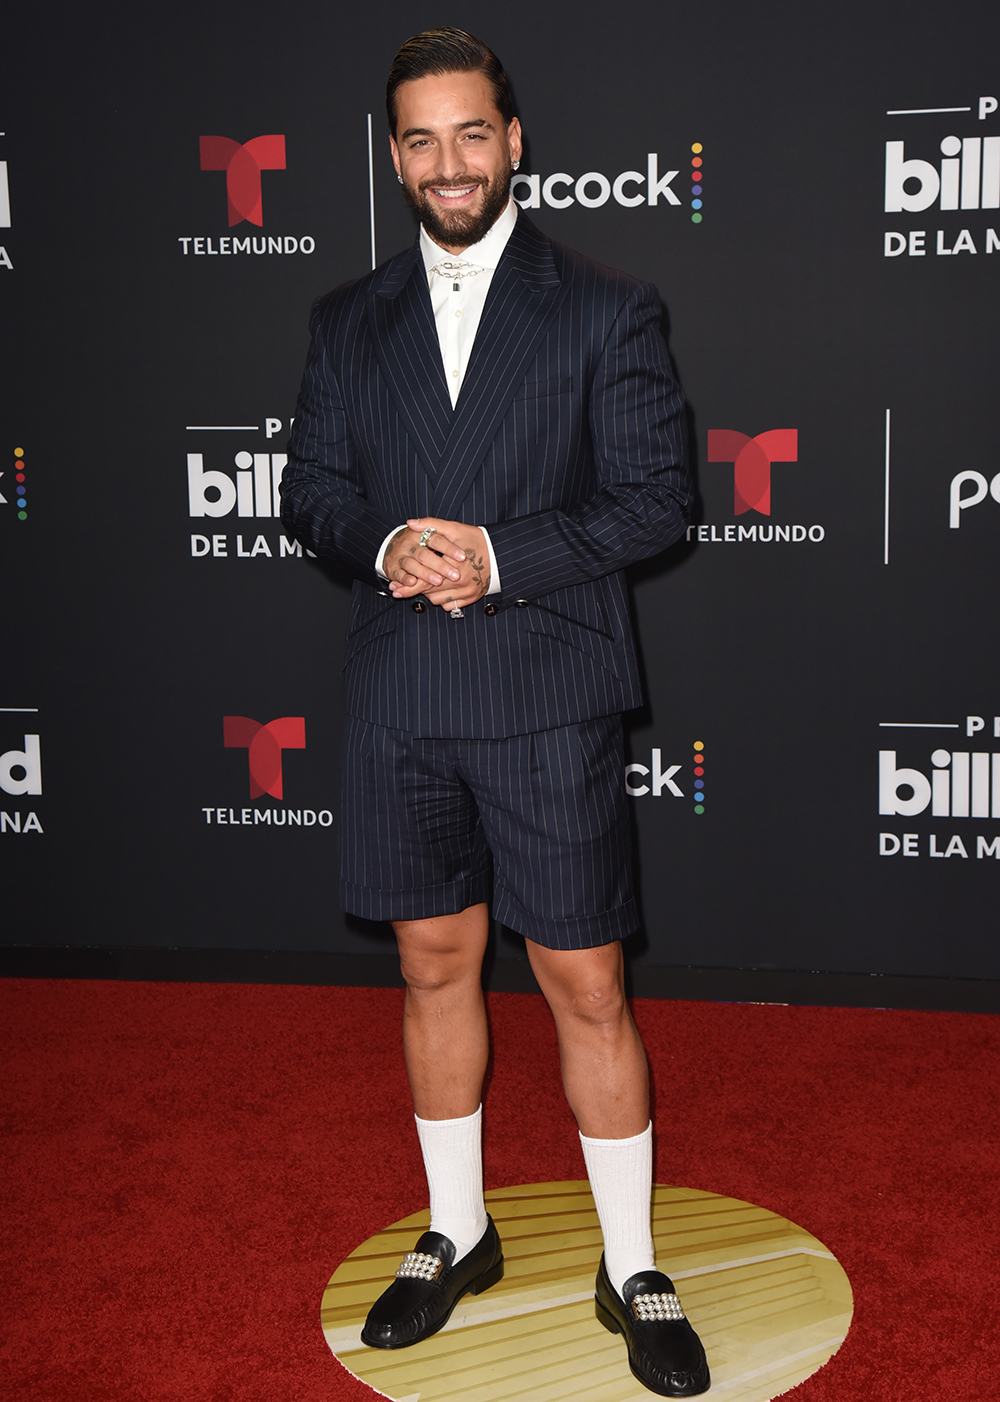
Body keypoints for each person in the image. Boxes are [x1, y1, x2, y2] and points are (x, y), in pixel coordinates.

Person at [280, 27, 709, 1397]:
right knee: (429, 962)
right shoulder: (348, 321)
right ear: (392, 154)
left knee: (586, 979)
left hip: (550, 688)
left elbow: (656, 500)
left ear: (515, 142)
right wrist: (394, 537)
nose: (448, 163)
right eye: (420, 139)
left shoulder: (604, 305)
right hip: (406, 689)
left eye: (472, 134)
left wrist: (503, 553)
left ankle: (630, 1256)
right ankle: (457, 1230)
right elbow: (312, 494)